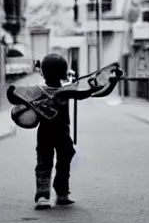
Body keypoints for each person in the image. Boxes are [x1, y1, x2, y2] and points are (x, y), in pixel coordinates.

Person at [30, 53, 122, 209]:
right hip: (62, 133)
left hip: (44, 132)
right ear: (64, 72)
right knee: (63, 161)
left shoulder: (38, 90)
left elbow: (16, 98)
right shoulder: (68, 90)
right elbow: (95, 92)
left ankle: (44, 195)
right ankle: (61, 193)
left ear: (43, 72)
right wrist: (112, 82)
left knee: (44, 162)